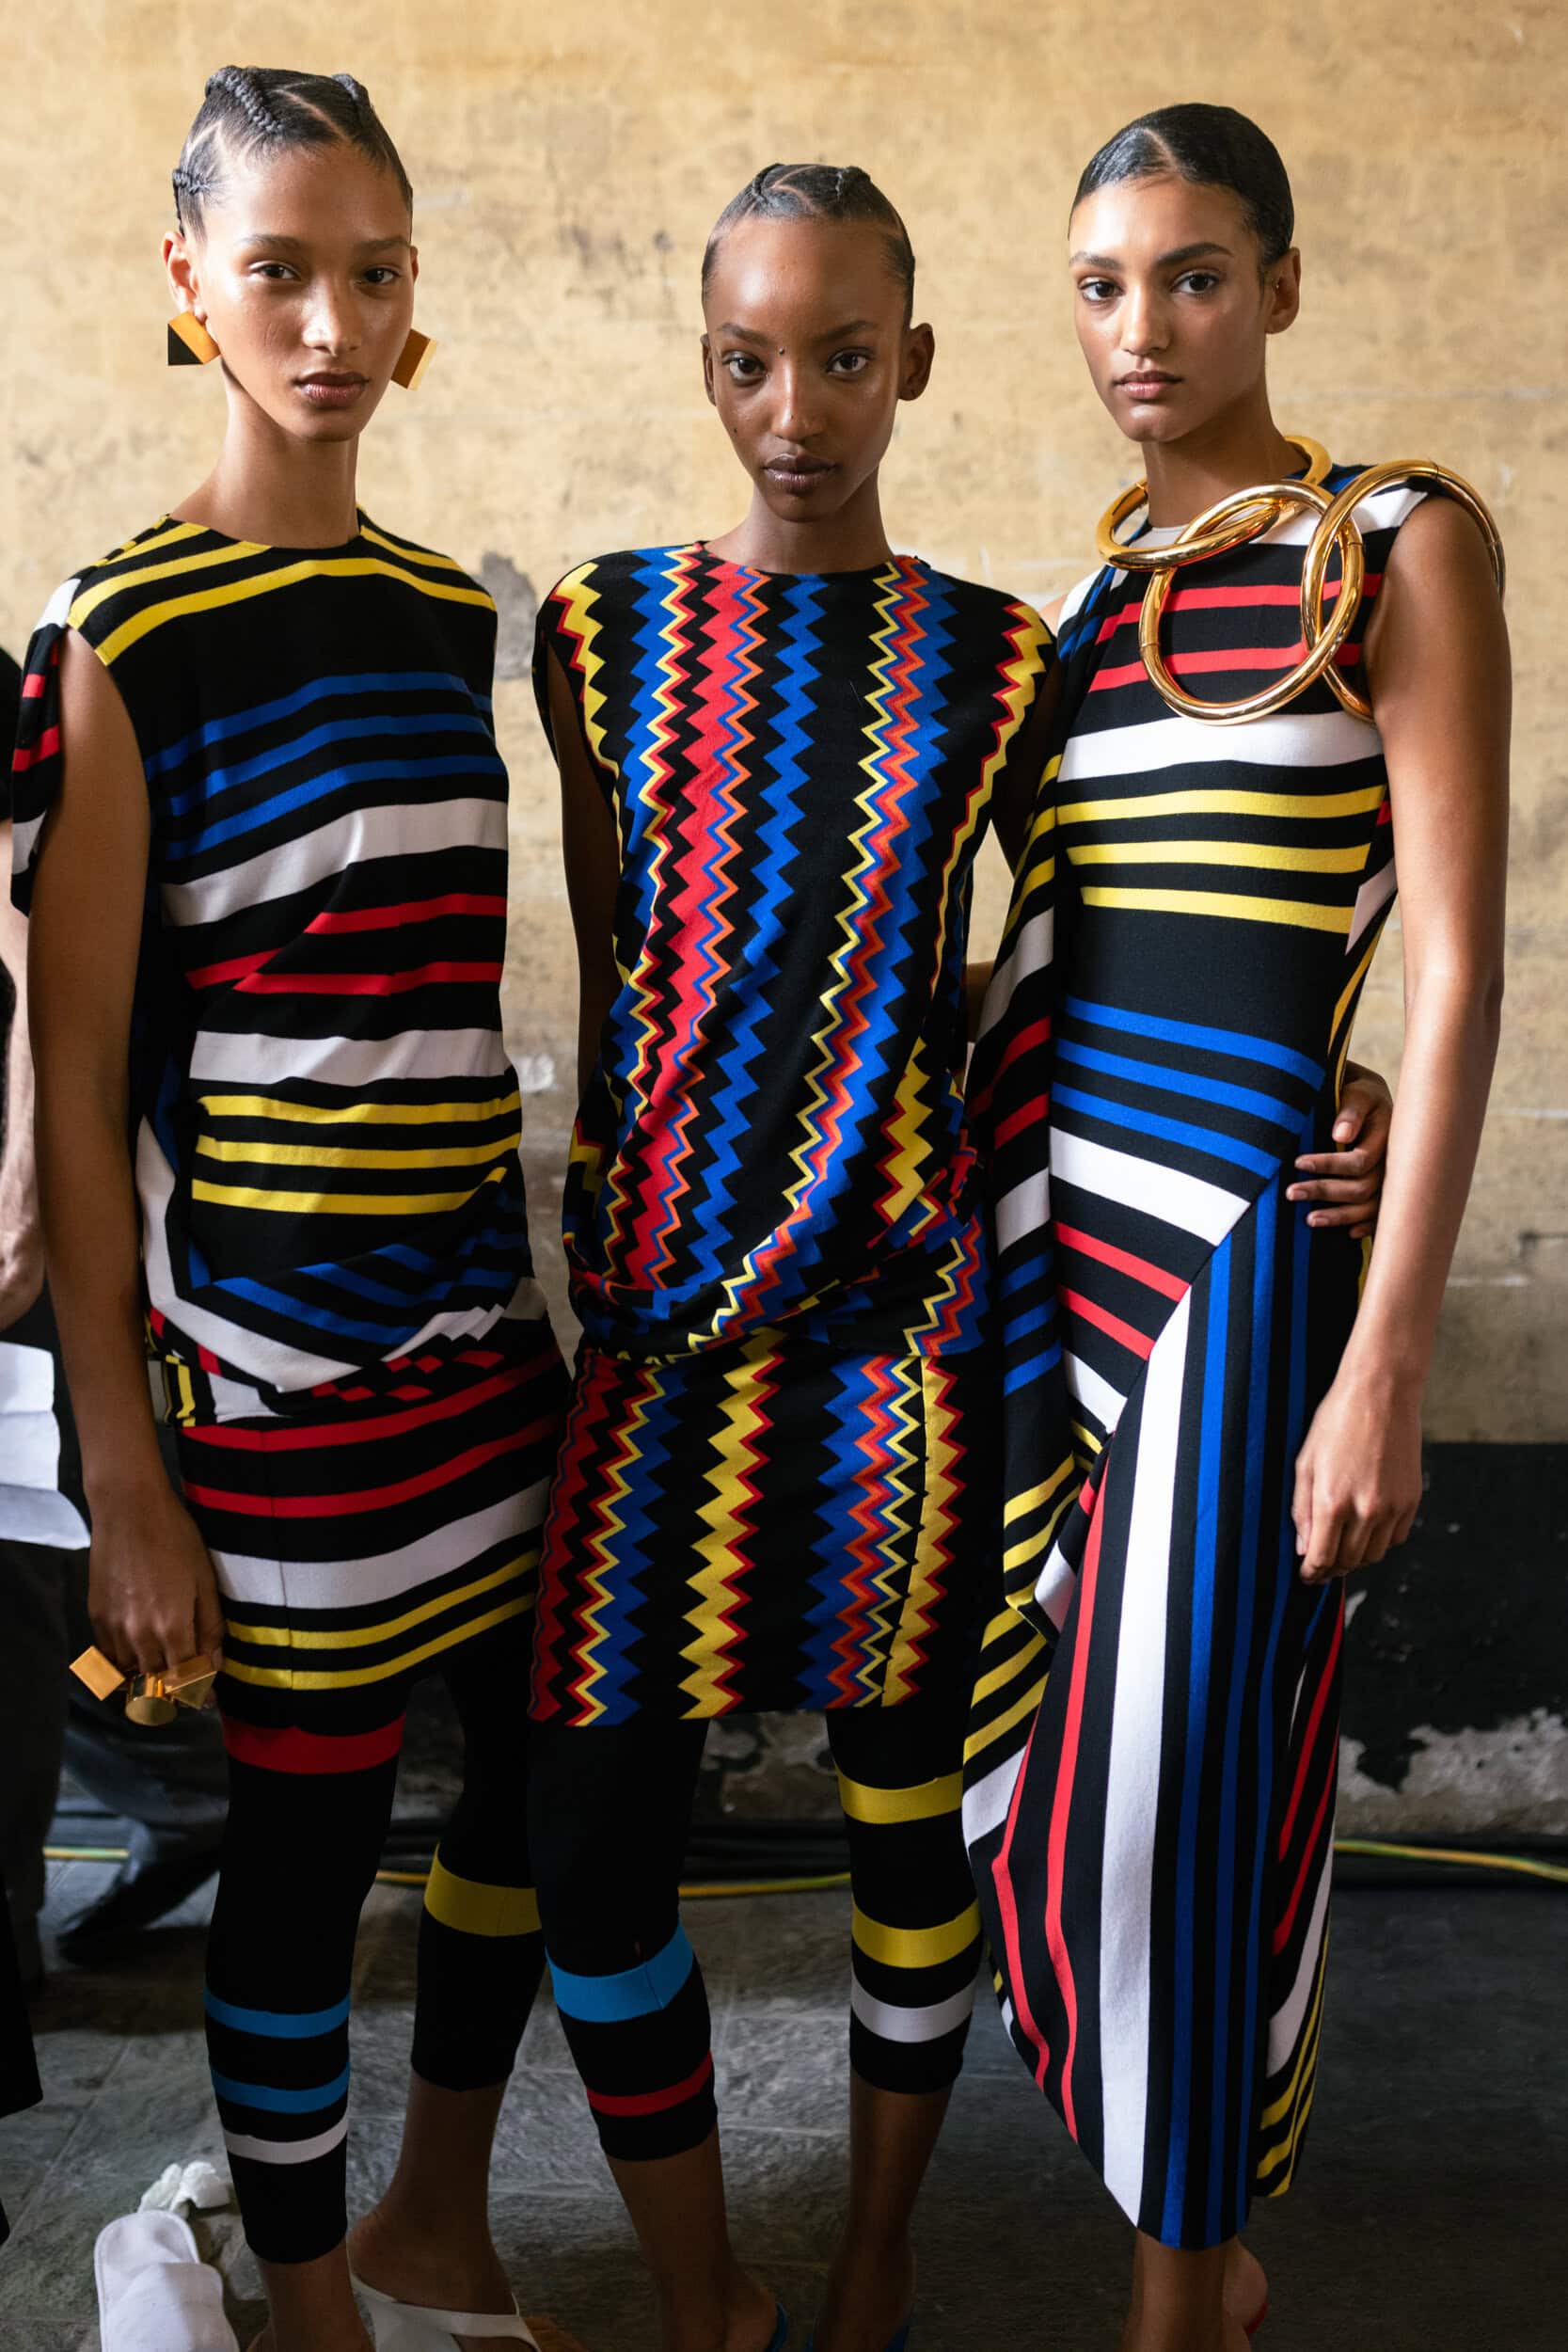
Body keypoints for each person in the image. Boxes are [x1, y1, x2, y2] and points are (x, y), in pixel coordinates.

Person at [528, 165, 1391, 2352]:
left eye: (843, 357)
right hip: (659, 1346)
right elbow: (623, 982)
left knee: (911, 1836)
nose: (795, 406)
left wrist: (1330, 1073)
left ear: (909, 362)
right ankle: (707, 2292)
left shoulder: (1003, 658)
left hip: (903, 1347)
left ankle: (875, 2256)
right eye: (749, 359)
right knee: (595, 1846)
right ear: (705, 360)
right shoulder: (598, 628)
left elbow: (1109, 941)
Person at [12, 67, 567, 2352]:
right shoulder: (116, 634)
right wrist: (125, 1471)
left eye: (372, 272)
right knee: (312, 1846)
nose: (330, 323)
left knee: (538, 1795)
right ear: (188, 284)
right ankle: (320, 2305)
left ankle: (439, 2214)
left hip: (484, 1343)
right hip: (270, 1371)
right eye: (277, 271)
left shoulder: (446, 613)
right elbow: (76, 1095)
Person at [962, 104, 1509, 2352]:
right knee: (1074, 1794)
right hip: (1053, 1257)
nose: (1145, 327)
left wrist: (1391, 1356)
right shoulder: (1097, 601)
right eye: (1102, 285)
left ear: (1277, 286)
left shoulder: (1399, 542)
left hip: (1247, 1272)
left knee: (1186, 1800)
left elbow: (1457, 967)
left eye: (1192, 276)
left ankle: (1176, 2302)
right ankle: (1207, 2253)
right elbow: (1083, 949)